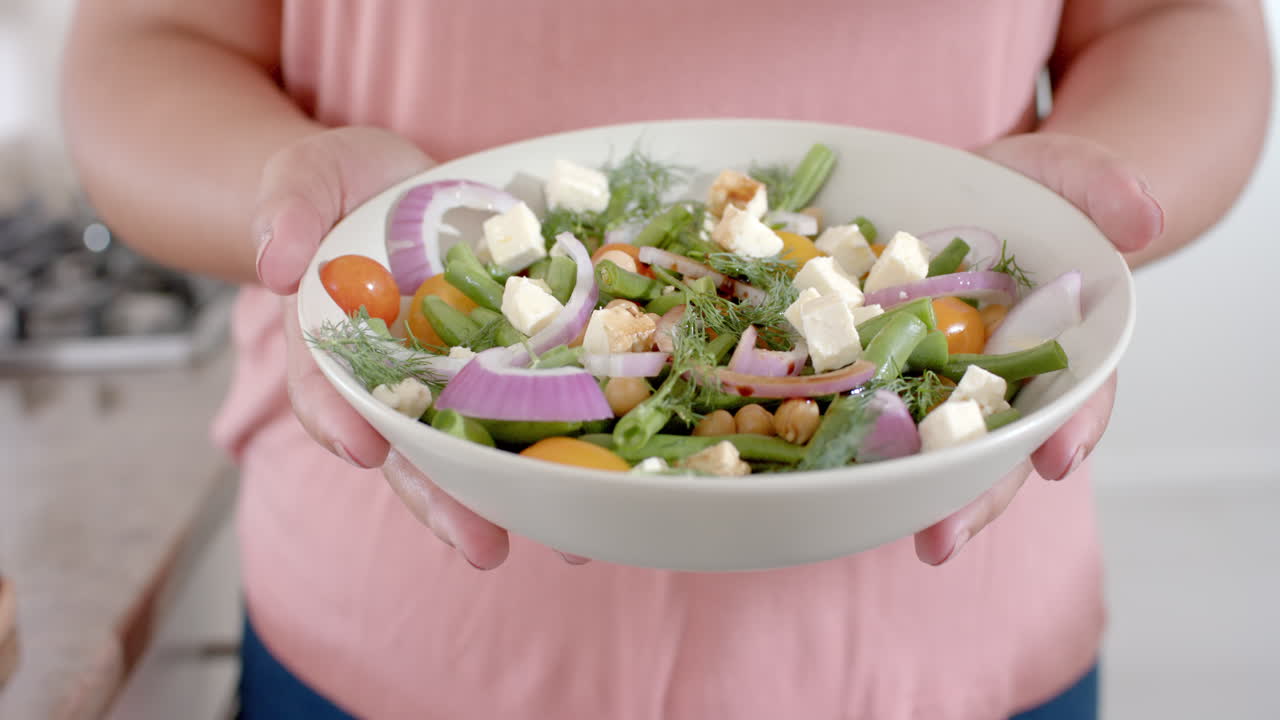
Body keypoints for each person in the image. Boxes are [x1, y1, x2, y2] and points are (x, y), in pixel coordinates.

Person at [61, 1, 1270, 718]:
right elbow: (155, 35)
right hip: (388, 621)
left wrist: (1079, 206)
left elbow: (1168, 18)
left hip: (951, 637)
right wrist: (290, 204)